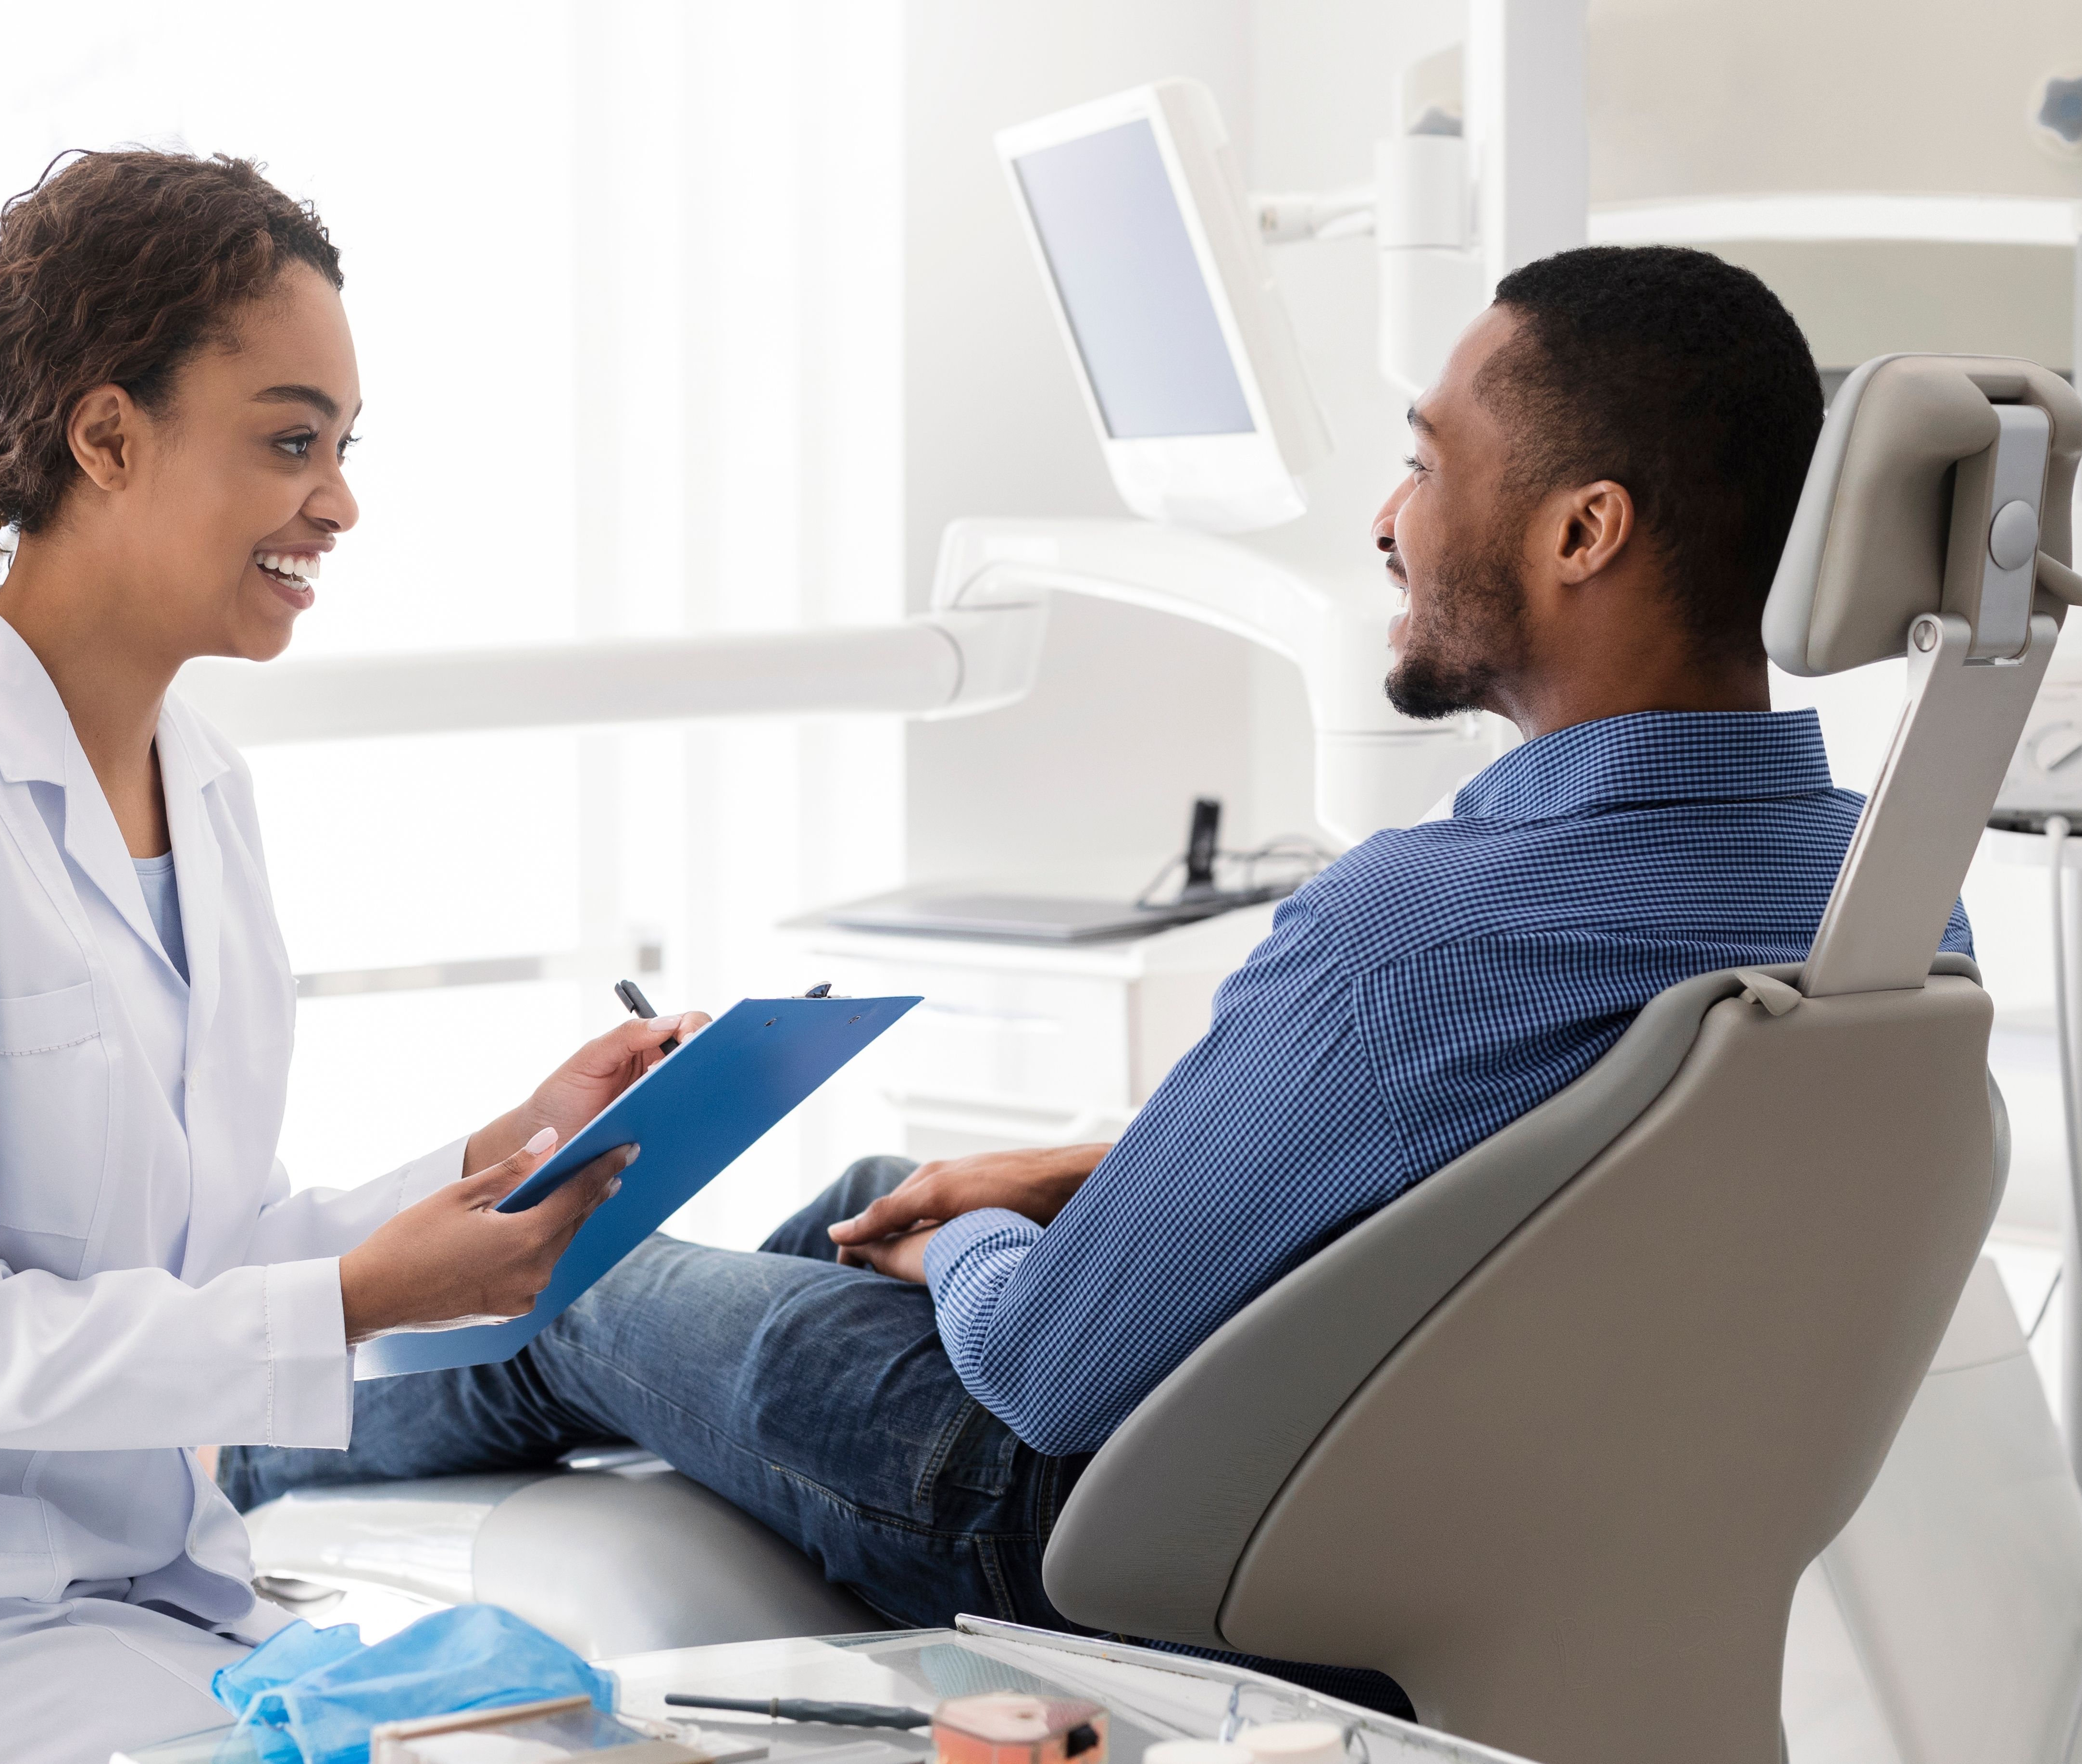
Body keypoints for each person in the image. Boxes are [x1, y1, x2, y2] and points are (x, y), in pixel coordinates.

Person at [217, 245, 1974, 1697]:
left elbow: (1052, 1375)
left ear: (1583, 533)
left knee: (595, 1278)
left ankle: (220, 1459)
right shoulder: (1884, 916)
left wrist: (969, 1244)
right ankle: (704, 1384)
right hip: (1496, 1508)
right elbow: (1519, 1191)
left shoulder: (1411, 932)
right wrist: (1043, 1181)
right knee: (882, 1181)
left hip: (1088, 1521)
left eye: (1430, 465)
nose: (1390, 520)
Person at [0, 150, 697, 1763]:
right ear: (108, 438)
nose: (337, 502)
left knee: (575, 1734)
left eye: (342, 449)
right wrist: (349, 1302)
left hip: (140, 1592)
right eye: (289, 441)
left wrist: (504, 1156)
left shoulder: (200, 783)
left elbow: (205, 1245)